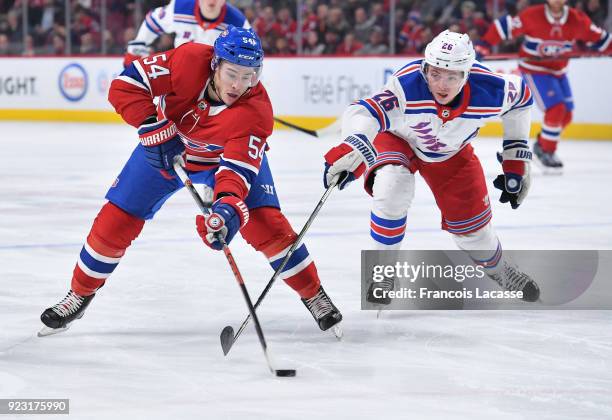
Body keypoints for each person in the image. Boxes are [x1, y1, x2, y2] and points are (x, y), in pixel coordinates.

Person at [39, 26, 342, 336]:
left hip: (220, 161)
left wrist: (226, 211)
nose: (240, 85)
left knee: (268, 226)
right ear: (215, 65)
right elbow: (126, 84)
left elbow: (235, 174)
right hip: (164, 149)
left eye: (249, 75)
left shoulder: (256, 113)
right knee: (115, 221)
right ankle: (79, 293)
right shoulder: (188, 60)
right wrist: (150, 125)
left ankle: (313, 294)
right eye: (232, 74)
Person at [322, 30, 540, 304]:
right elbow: (364, 112)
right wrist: (355, 144)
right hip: (398, 138)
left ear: (466, 74)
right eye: (435, 73)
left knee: (474, 234)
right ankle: (382, 271)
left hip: (450, 153)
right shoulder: (407, 84)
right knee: (392, 187)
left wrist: (516, 157)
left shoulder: (492, 90)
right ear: (425, 67)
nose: (441, 84)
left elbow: (522, 99)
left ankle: (498, 269)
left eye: (451, 76)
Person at [479, 0, 611, 170]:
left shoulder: (577, 19)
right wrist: (484, 45)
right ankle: (546, 151)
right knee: (556, 109)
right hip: (534, 69)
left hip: (559, 71)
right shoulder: (532, 15)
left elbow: (600, 38)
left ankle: (542, 144)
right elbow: (503, 26)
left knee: (566, 115)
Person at [124, 0, 250, 67]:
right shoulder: (179, 7)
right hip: (180, 76)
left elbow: (249, 58)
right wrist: (137, 49)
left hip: (214, 85)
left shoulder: (238, 23)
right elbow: (152, 21)